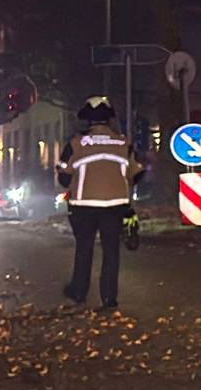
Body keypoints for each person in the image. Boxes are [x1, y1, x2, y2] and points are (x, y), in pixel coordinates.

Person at [57, 96, 143, 310]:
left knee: (84, 248)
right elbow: (138, 173)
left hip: (84, 206)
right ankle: (109, 298)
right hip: (115, 205)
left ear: (87, 120)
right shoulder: (124, 144)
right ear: (109, 119)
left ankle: (78, 293)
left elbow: (63, 177)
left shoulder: (76, 144)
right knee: (111, 251)